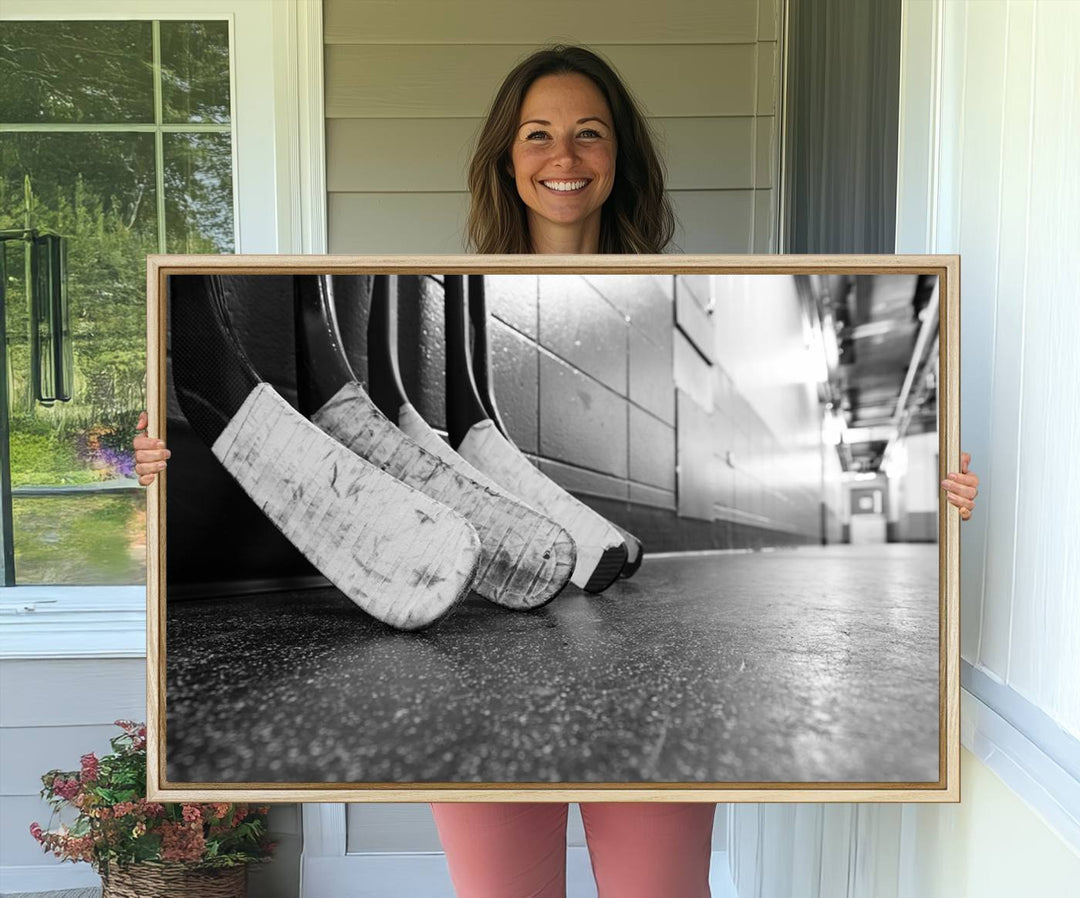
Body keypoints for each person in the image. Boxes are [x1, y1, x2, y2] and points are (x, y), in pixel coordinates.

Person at [135, 44, 980, 898]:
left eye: (589, 135)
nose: (563, 158)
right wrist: (154, 468)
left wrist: (945, 500)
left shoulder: (689, 279)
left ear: (620, 159)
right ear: (508, 159)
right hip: (480, 696)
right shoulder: (457, 277)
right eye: (537, 135)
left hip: (656, 698)